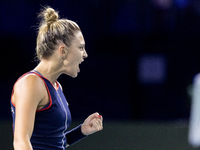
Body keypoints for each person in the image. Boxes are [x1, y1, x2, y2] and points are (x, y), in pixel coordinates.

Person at [10, 6, 103, 150]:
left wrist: (81, 131)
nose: (85, 54)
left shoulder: (56, 87)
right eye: (81, 48)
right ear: (63, 50)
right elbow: (21, 142)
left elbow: (52, 143)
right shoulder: (30, 83)